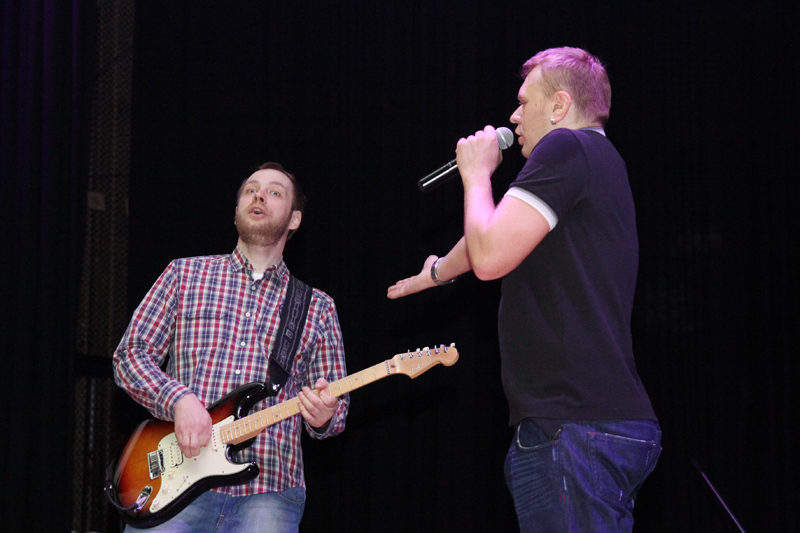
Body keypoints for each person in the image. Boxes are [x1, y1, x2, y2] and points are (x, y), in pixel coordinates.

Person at [388, 47, 661, 532]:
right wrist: (437, 272)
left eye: (522, 102)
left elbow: (490, 256)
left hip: (573, 423)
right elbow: (495, 234)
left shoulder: (567, 147)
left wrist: (476, 176)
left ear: (558, 106)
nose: (513, 117)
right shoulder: (596, 158)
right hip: (593, 422)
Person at [113, 162, 349, 533]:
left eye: (275, 192)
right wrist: (179, 400)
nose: (259, 196)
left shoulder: (317, 307)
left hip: (269, 490)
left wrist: (325, 416)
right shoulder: (184, 275)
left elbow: (335, 412)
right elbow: (130, 356)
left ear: (294, 219)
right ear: (237, 209)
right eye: (251, 190)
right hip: (175, 481)